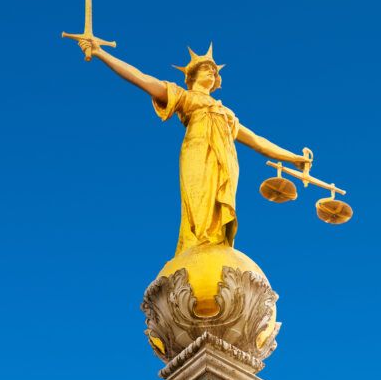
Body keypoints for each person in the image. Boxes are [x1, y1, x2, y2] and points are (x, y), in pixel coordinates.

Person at [77, 40, 310, 255]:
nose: (212, 71)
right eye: (207, 68)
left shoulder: (226, 113)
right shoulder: (184, 98)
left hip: (226, 161)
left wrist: (293, 159)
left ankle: (216, 245)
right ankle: (197, 246)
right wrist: (101, 53)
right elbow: (141, 78)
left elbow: (257, 141)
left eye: (214, 70)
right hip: (198, 152)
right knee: (199, 202)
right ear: (194, 75)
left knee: (219, 210)